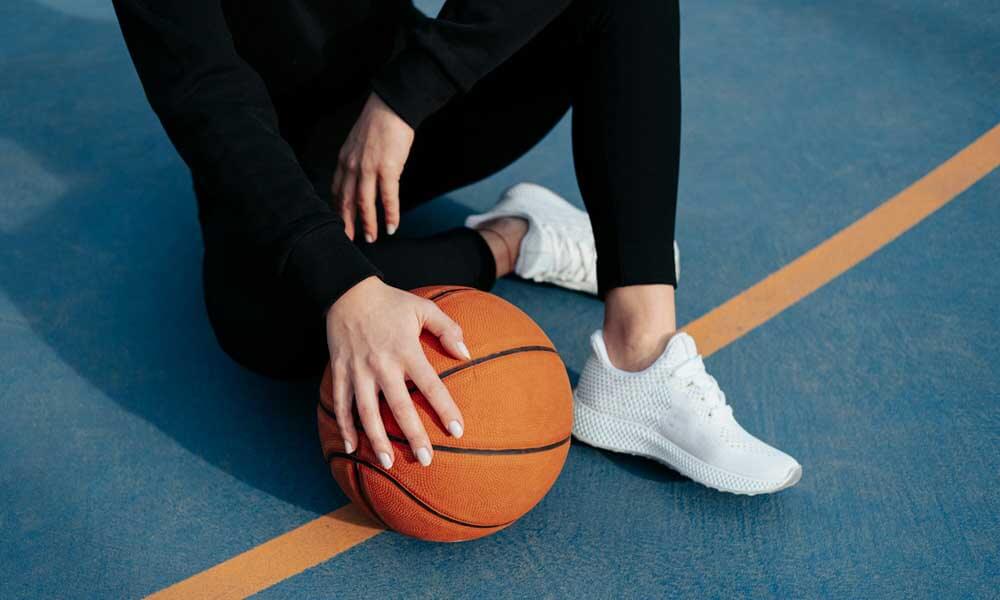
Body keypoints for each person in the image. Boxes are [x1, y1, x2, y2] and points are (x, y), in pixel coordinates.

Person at [112, 0, 801, 494]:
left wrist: (408, 94)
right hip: (283, 161)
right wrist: (343, 286)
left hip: (402, 113)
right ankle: (512, 239)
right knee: (259, 319)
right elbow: (208, 98)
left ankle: (638, 359)